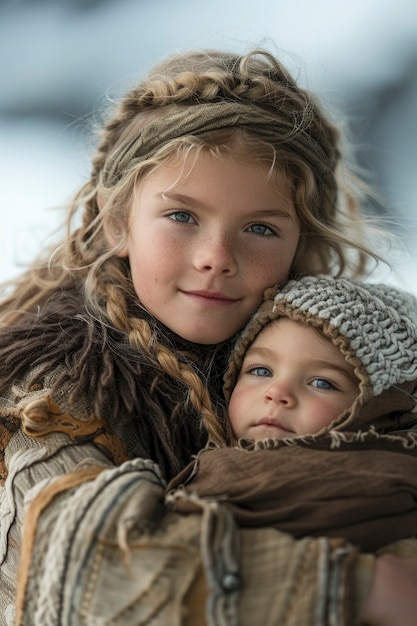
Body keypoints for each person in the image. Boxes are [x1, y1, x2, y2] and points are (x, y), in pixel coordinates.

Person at [0, 47, 416, 625]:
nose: (217, 258)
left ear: (303, 243)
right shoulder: (61, 384)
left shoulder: (321, 353)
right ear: (119, 220)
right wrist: (358, 586)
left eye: (261, 228)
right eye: (182, 217)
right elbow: (90, 571)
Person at [168, 274, 417, 554]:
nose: (277, 393)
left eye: (322, 383)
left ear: (382, 408)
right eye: (261, 371)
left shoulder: (387, 488)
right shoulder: (206, 468)